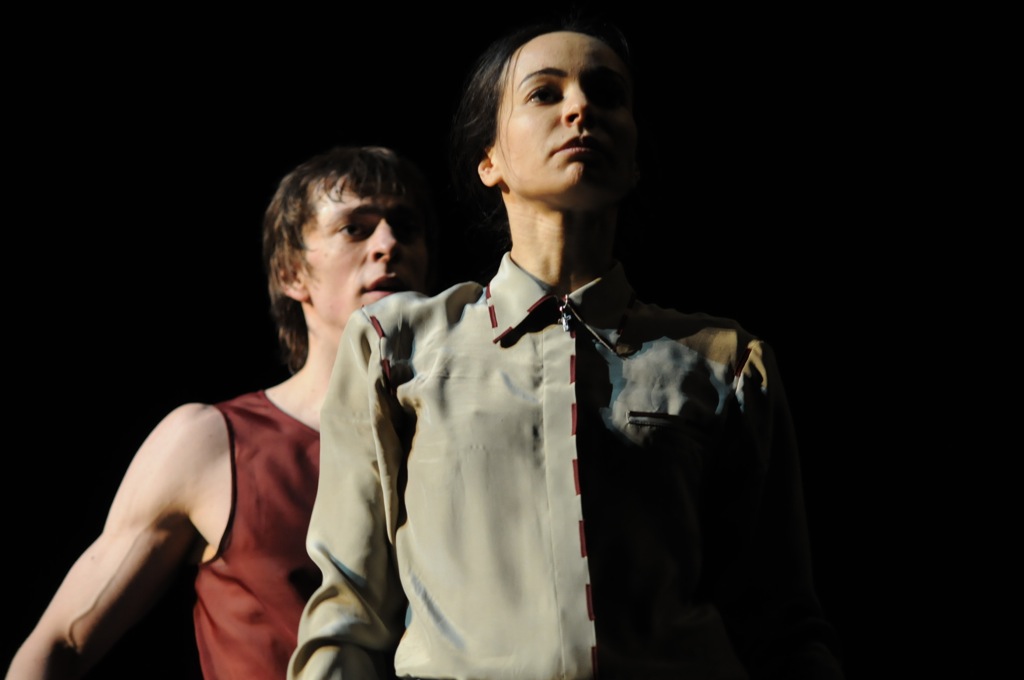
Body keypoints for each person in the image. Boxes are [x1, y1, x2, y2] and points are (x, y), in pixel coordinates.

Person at [289, 17, 846, 680]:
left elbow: (778, 621)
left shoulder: (723, 362)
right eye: (545, 93)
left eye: (607, 94)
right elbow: (349, 613)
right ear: (489, 159)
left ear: (635, 157)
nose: (581, 108)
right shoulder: (396, 346)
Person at [7, 145, 437, 680]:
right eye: (355, 228)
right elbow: (58, 645)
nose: (389, 244)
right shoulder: (212, 444)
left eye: (406, 227)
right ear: (292, 272)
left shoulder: (461, 437)